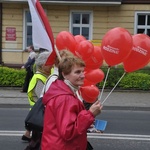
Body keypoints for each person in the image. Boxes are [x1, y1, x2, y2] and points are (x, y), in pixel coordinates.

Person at [41, 56, 103, 150]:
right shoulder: (65, 98)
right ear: (64, 75)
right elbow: (68, 131)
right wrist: (90, 114)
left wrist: (86, 121)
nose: (83, 75)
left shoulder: (62, 91)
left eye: (83, 71)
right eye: (77, 72)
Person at [22, 51, 52, 143]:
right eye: (50, 63)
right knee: (37, 141)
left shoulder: (43, 76)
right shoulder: (39, 78)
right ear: (43, 65)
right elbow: (41, 97)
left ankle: (27, 134)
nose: (52, 65)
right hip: (39, 110)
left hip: (37, 110)